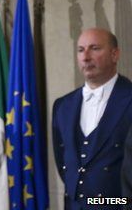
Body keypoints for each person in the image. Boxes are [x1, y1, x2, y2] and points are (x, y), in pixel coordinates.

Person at [52, 28, 132, 209]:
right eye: (80, 50)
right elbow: (64, 164)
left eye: (94, 48)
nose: (86, 57)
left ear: (115, 54)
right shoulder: (62, 106)